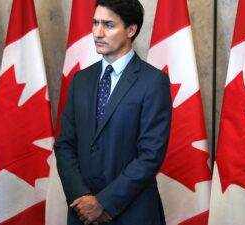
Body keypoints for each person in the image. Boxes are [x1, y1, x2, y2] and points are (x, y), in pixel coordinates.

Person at [54, 0, 172, 224]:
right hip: (82, 213)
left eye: (108, 25)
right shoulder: (80, 80)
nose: (98, 33)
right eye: (95, 23)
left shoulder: (153, 82)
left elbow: (150, 155)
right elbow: (65, 145)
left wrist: (103, 203)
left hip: (132, 212)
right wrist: (82, 198)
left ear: (131, 29)